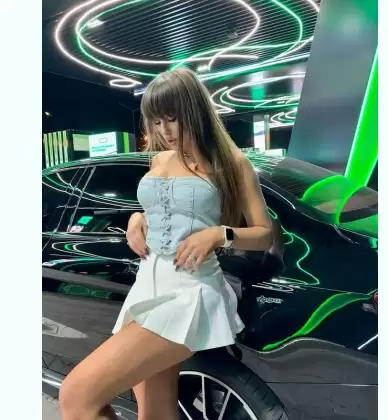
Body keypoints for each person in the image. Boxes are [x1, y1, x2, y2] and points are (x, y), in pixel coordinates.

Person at [59, 68, 273, 420]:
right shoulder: (159, 159)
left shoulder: (232, 163)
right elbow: (161, 209)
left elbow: (264, 232)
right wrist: (136, 218)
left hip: (189, 290)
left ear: (195, 111)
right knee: (155, 412)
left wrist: (219, 234)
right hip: (147, 284)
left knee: (76, 396)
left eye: (172, 118)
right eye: (156, 122)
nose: (164, 131)